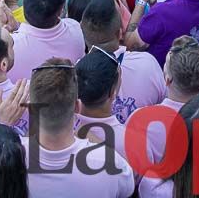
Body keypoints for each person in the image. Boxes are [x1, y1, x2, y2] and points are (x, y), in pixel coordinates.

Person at [24, 56, 134, 196]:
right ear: (77, 106)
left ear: (31, 109)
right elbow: (129, 187)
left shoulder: (12, 156)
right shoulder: (109, 163)